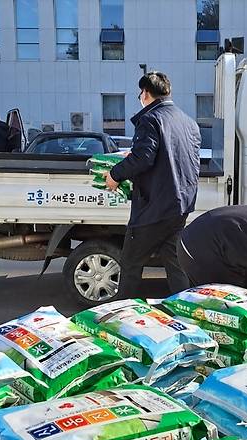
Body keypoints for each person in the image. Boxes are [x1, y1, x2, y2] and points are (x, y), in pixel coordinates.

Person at [104, 71, 201, 298]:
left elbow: (144, 158)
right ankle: (186, 309)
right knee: (176, 264)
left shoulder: (150, 119)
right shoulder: (188, 122)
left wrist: (115, 174)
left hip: (153, 208)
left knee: (130, 264)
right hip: (180, 206)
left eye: (141, 92)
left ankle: (122, 317)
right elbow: (172, 156)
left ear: (146, 93)